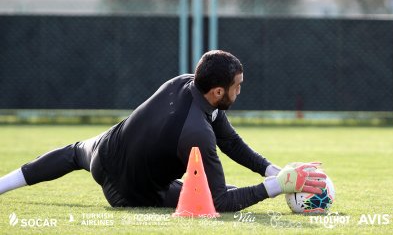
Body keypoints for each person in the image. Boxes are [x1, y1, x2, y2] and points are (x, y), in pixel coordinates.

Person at [0, 50, 325, 212]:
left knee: (73, 152)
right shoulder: (197, 132)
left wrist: (274, 171)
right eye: (237, 86)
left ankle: (2, 185)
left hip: (102, 153)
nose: (240, 92)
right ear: (217, 92)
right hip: (128, 193)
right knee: (219, 194)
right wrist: (277, 187)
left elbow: (231, 141)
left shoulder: (187, 83)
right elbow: (220, 202)